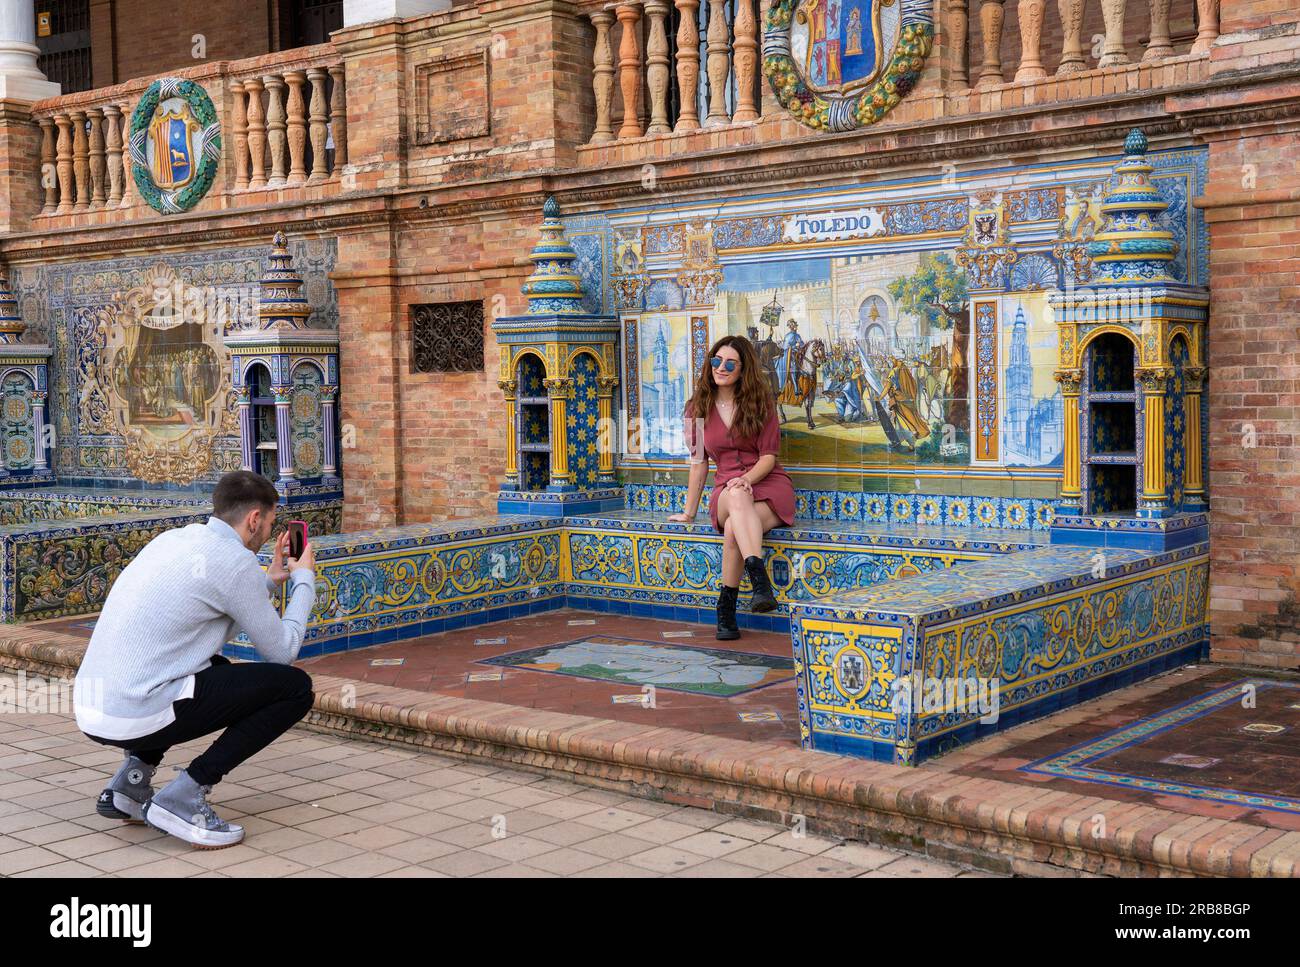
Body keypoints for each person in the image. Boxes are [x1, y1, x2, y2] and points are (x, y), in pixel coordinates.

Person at [72, 470, 317, 849]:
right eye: (270, 523)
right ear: (254, 519)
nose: (269, 532)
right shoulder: (234, 563)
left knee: (213, 667)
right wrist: (304, 580)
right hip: (136, 712)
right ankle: (184, 795)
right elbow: (282, 652)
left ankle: (130, 785)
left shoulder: (174, 539)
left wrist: (267, 582)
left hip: (93, 707)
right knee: (294, 689)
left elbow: (200, 622)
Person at [670, 335, 796, 640]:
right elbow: (698, 462)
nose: (721, 368)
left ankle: (726, 609)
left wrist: (747, 478)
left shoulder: (760, 402)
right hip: (726, 493)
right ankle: (759, 580)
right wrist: (688, 512)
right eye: (716, 361)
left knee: (733, 531)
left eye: (730, 363)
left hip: (769, 487)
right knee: (736, 495)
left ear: (743, 370)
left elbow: (768, 457)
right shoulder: (694, 408)